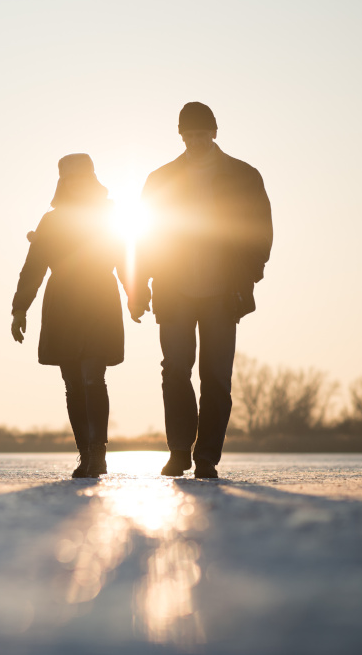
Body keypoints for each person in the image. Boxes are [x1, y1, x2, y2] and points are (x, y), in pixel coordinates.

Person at [131, 102, 273, 479]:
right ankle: (179, 452)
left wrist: (248, 276)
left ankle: (207, 456)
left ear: (214, 132)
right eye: (188, 133)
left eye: (201, 132)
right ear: (180, 135)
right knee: (175, 371)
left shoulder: (244, 176)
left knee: (216, 377)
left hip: (223, 292)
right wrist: (137, 286)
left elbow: (260, 231)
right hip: (173, 289)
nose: (194, 139)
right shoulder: (160, 179)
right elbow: (144, 236)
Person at [11, 154, 132, 478]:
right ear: (63, 181)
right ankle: (85, 453)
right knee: (73, 384)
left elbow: (123, 258)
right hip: (62, 306)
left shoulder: (107, 216)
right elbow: (33, 268)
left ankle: (98, 453)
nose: (76, 183)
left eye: (82, 176)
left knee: (93, 376)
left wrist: (135, 293)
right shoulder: (51, 221)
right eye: (70, 178)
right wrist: (19, 308)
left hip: (98, 302)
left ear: (91, 178)